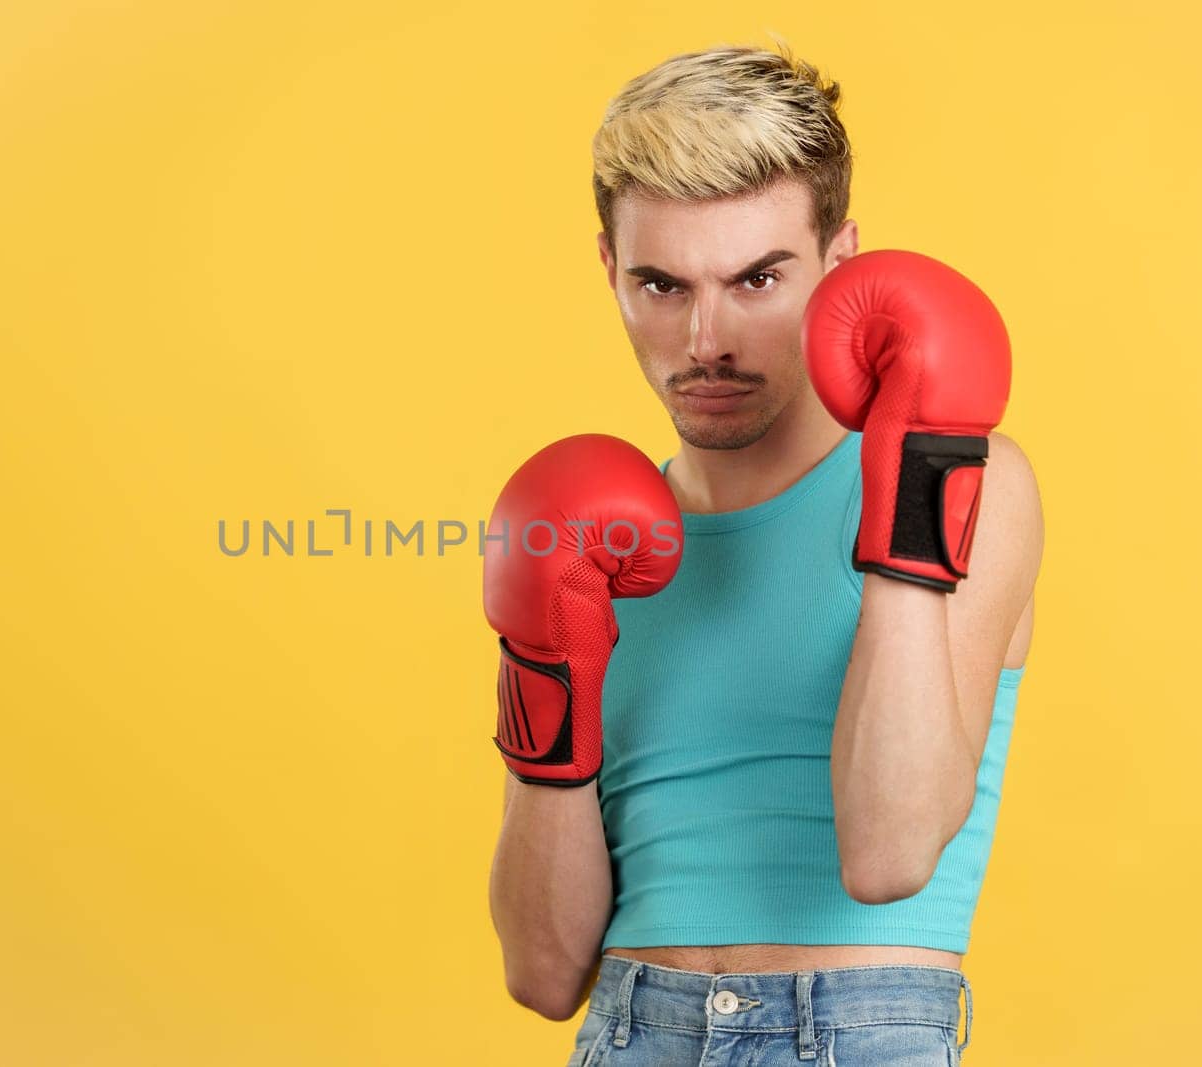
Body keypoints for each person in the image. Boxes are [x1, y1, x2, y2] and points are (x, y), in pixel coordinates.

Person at [482, 43, 1045, 1065]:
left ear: (840, 264)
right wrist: (539, 669)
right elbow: (542, 969)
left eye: (756, 279)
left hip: (854, 1033)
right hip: (627, 1031)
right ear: (608, 270)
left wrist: (911, 480)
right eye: (661, 284)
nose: (706, 339)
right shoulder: (597, 541)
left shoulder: (968, 480)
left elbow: (887, 851)